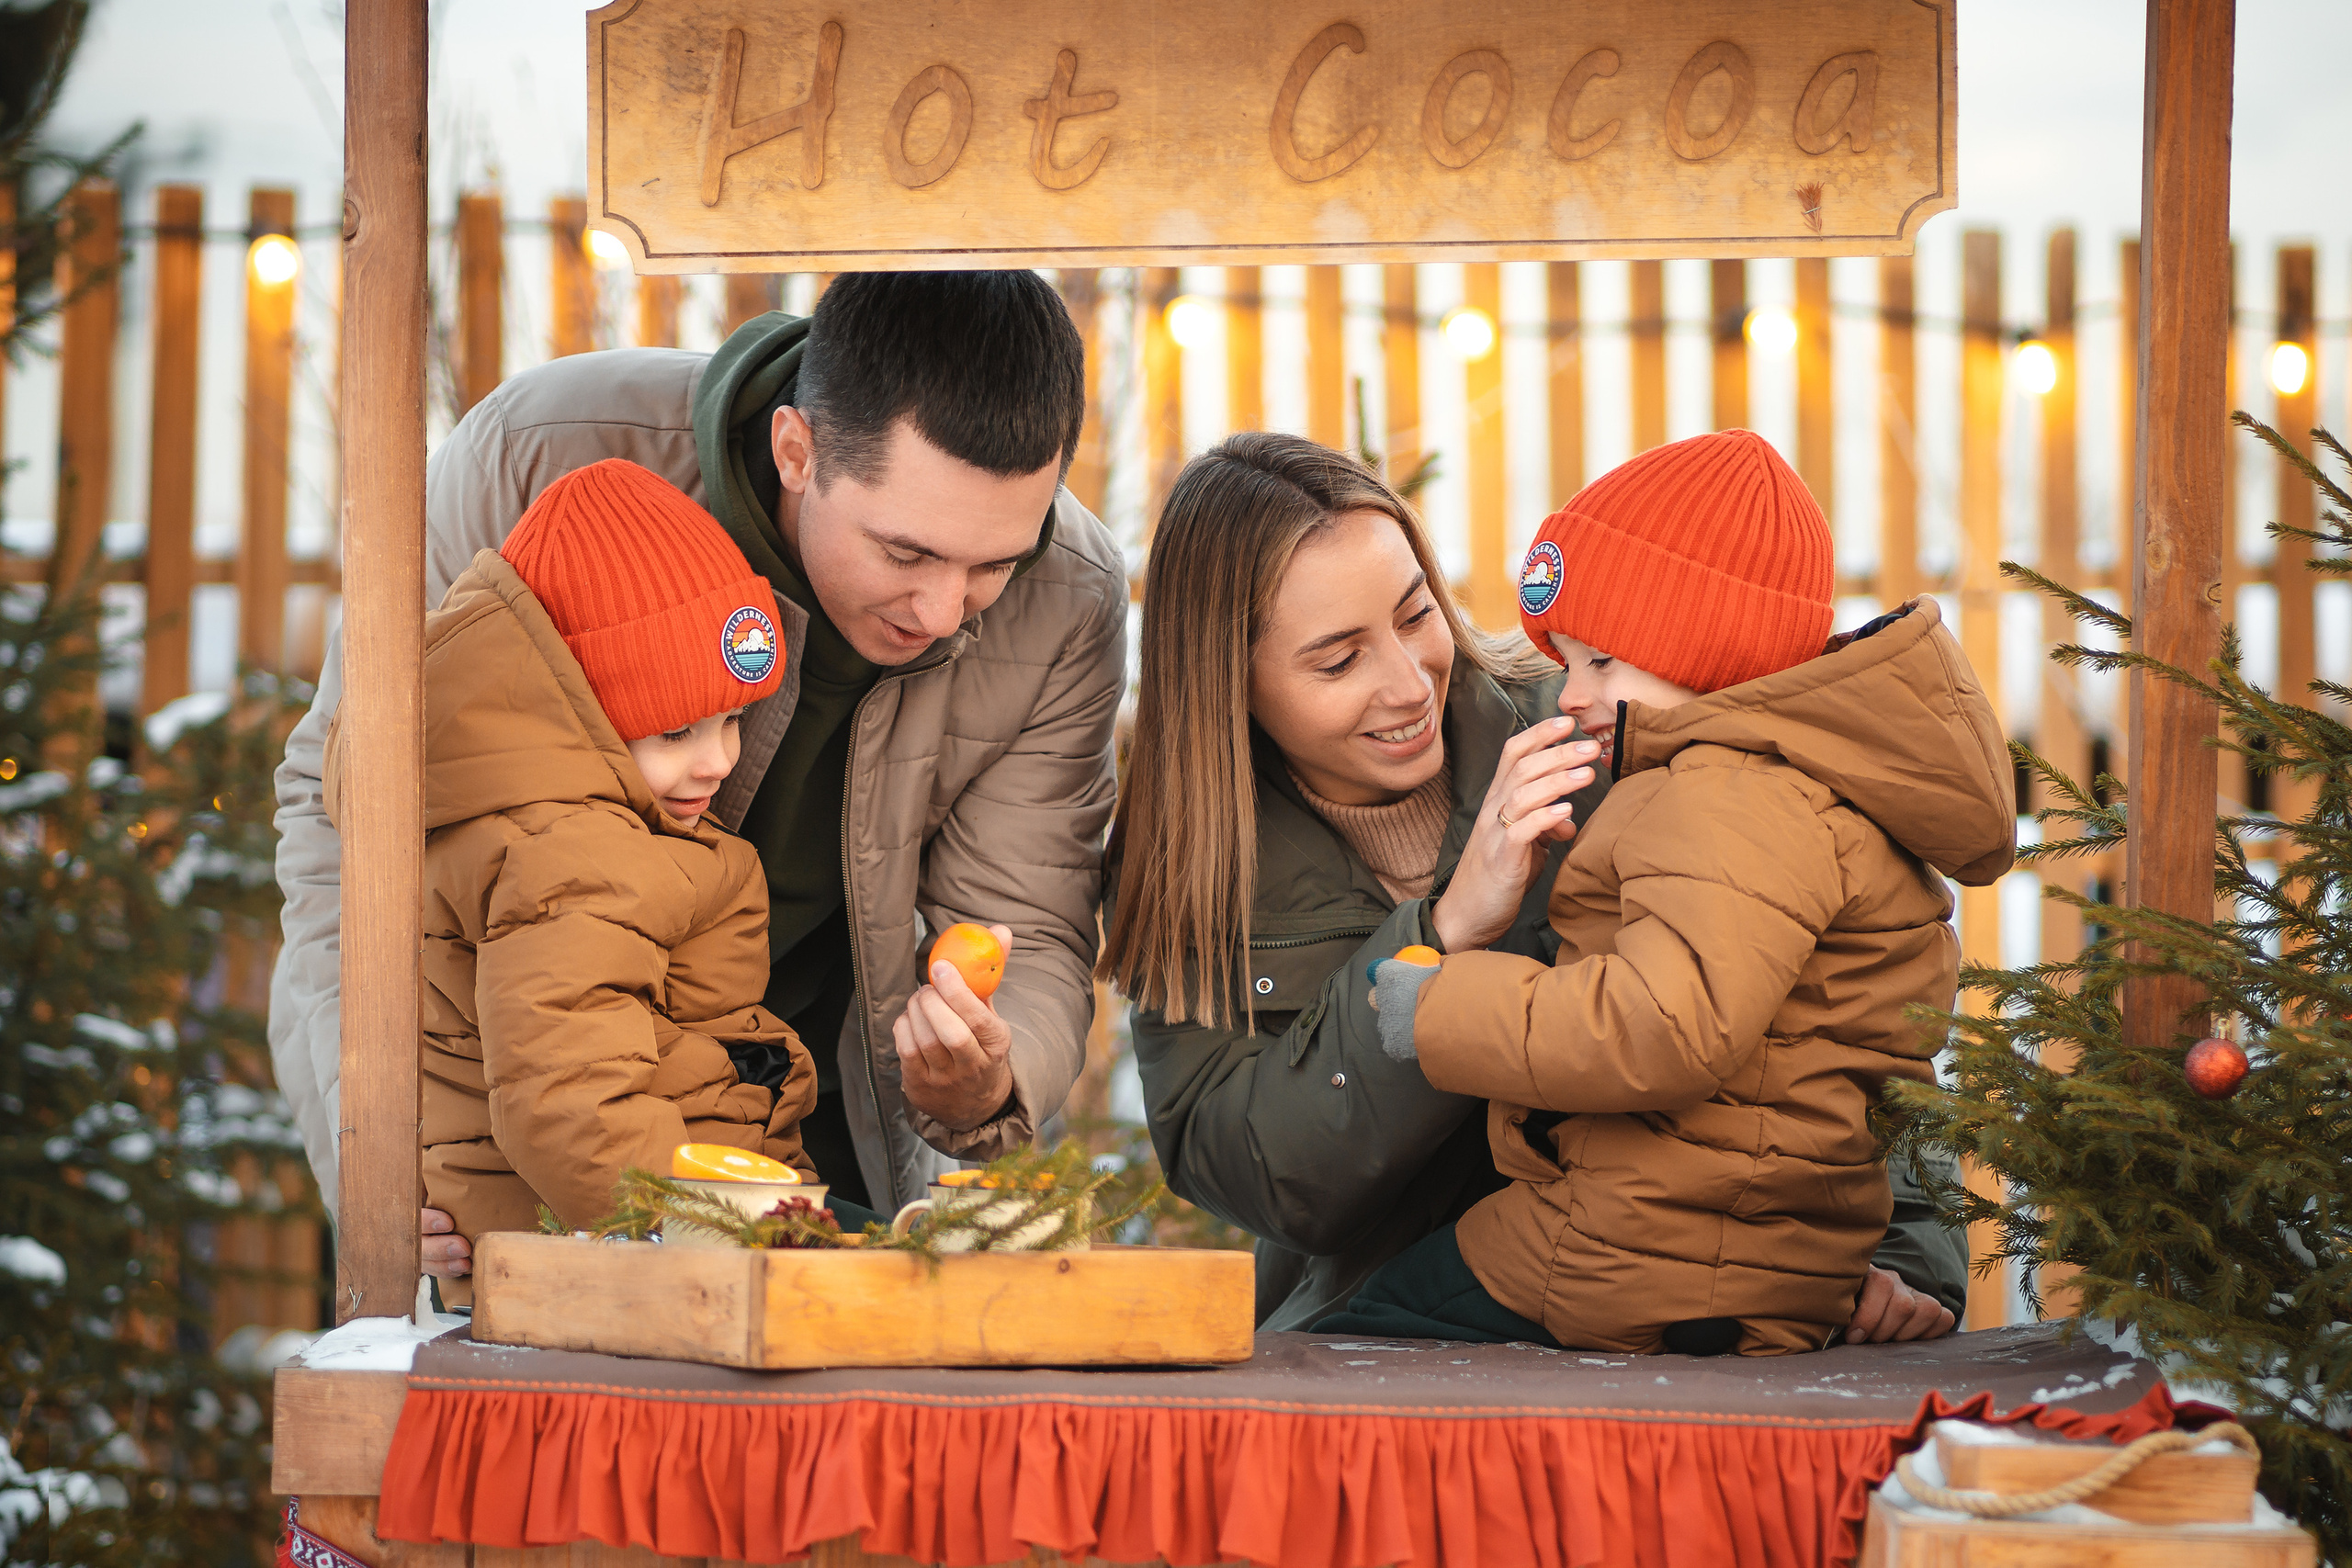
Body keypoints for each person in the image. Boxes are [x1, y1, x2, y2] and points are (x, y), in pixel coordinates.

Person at [272, 272, 1125, 1280]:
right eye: (906, 551)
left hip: (799, 1125)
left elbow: (1029, 919)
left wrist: (988, 1079)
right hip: (512, 1136)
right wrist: (371, 1139)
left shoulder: (1069, 591)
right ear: (795, 451)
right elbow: (353, 830)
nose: (945, 610)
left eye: (995, 565)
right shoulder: (536, 458)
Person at [1101, 432, 1969, 1340]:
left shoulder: (1607, 729)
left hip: (1692, 1313)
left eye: (1414, 614)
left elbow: (1845, 1003)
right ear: (1227, 682)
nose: (1407, 683)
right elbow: (1258, 1175)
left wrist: (1901, 1258)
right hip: (1390, 1335)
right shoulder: (1185, 864)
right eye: (1336, 660)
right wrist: (1441, 931)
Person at [1331, 429, 2011, 1355]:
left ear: (1712, 649)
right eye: (1565, 661)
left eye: (1600, 661)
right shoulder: (1799, 782)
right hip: (1735, 1242)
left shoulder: (1727, 796)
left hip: (1648, 1248)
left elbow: (1662, 1026)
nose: (1569, 694)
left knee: (1355, 1343)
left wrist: (1441, 1006)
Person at [378, 459, 820, 1303]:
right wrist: (705, 1231)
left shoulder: (593, 825)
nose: (719, 759)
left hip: (623, 1243)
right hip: (603, 1264)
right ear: (583, 708)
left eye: (732, 718)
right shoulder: (568, 850)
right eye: (677, 728)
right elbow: (570, 1102)